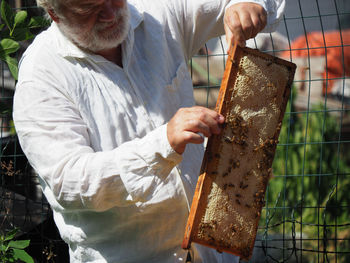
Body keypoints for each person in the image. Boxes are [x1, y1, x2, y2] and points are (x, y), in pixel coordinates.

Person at [13, 0, 285, 262]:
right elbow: (69, 181)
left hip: (214, 250)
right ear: (54, 13)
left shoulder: (155, 12)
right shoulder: (40, 77)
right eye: (89, 9)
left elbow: (240, 4)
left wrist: (246, 5)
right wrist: (161, 144)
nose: (109, 13)